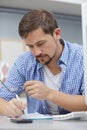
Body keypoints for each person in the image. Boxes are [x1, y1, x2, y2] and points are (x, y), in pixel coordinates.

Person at [0, 9, 87, 118]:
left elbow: (86, 102)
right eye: (30, 46)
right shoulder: (24, 62)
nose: (36, 52)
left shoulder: (82, 57)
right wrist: (9, 109)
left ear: (57, 34)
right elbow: (2, 99)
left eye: (41, 44)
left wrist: (50, 94)